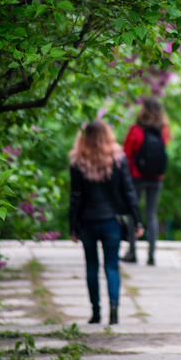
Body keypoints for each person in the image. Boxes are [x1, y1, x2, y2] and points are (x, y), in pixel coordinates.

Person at [68, 119, 144, 325]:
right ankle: (114, 309)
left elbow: (75, 197)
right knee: (112, 266)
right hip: (111, 221)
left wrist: (72, 226)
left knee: (91, 266)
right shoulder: (117, 158)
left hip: (87, 222)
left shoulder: (78, 161)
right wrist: (137, 220)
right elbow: (128, 192)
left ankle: (96, 312)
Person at [121, 96, 170, 266]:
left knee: (133, 213)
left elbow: (126, 154)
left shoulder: (135, 129)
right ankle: (151, 255)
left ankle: (133, 252)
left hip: (136, 176)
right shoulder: (164, 130)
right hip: (156, 177)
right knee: (151, 214)